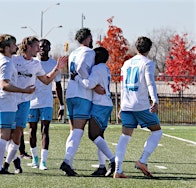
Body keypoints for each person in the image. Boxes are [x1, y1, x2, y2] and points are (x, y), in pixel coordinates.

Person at [2, 36, 68, 173]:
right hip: (13, 101)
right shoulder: (14, 60)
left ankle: (17, 163)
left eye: (41, 46)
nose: (39, 49)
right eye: (37, 46)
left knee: (23, 132)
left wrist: (57, 68)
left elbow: (47, 80)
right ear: (28, 47)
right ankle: (9, 159)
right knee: (6, 134)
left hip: (29, 102)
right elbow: (1, 66)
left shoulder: (36, 64)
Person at [114, 36, 163, 178]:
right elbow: (150, 83)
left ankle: (118, 169)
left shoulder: (126, 63)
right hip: (140, 105)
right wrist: (155, 99)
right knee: (157, 131)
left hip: (127, 105)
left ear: (136, 48)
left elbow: (122, 86)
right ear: (149, 49)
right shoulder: (147, 63)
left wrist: (121, 106)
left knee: (125, 136)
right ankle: (142, 160)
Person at [60, 28, 104, 176]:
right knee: (78, 131)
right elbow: (80, 68)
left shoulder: (73, 52)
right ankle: (67, 161)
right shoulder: (89, 52)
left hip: (71, 93)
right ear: (88, 38)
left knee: (73, 131)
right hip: (82, 94)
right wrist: (90, 83)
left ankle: (69, 162)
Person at [0, 34, 36, 174]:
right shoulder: (6, 62)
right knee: (4, 135)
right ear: (6, 48)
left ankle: (1, 166)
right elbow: (4, 85)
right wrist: (23, 90)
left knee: (2, 135)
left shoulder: (1, 59)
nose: (16, 47)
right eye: (13, 45)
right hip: (6, 101)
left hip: (0, 101)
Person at [72, 47, 115, 177]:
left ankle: (113, 161)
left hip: (100, 105)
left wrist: (77, 78)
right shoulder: (105, 68)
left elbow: (90, 84)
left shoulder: (97, 68)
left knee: (93, 135)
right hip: (105, 104)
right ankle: (102, 166)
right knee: (100, 136)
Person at [28, 39, 65, 170]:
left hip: (46, 102)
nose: (42, 48)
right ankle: (35, 158)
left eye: (45, 46)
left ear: (50, 48)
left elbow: (58, 86)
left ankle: (43, 161)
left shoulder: (54, 64)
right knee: (32, 130)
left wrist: (62, 105)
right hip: (31, 101)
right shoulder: (32, 62)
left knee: (45, 130)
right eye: (40, 46)